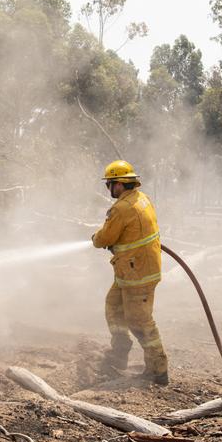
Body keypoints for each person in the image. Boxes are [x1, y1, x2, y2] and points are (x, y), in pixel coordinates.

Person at [91, 160, 169, 386]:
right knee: (113, 306)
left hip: (138, 274)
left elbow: (105, 238)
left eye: (110, 184)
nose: (109, 189)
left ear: (119, 184)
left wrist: (95, 239)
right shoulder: (142, 199)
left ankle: (158, 369)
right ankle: (119, 353)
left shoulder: (121, 208)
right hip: (132, 270)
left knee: (139, 321)